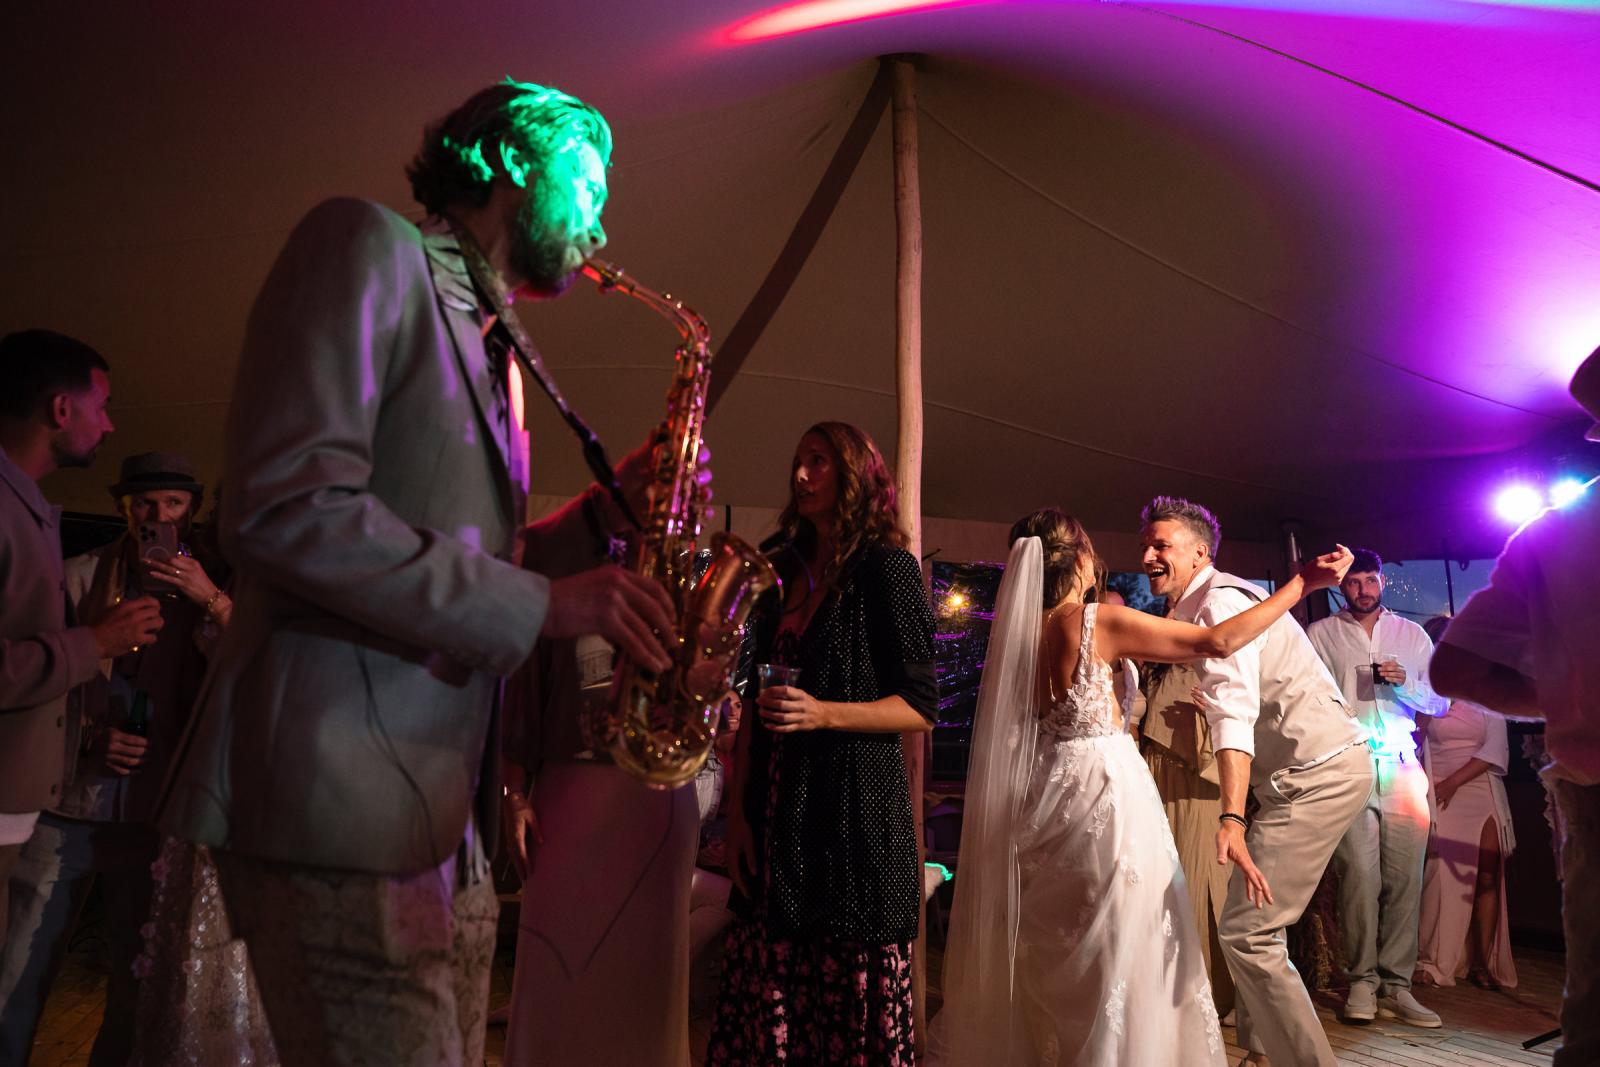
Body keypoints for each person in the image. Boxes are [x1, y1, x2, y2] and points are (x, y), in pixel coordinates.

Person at [156, 80, 681, 1067]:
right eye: (588, 181)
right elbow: (284, 506)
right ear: (515, 163)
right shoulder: (365, 245)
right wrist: (543, 602)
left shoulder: (503, 352)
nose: (601, 217)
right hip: (335, 789)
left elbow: (466, 553)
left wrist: (609, 519)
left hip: (434, 812)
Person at [932, 508, 1351, 1065]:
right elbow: (1219, 642)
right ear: (1079, 558)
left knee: (1063, 943)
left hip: (1052, 799)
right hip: (1107, 793)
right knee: (1128, 941)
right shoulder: (1092, 622)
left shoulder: (1021, 641)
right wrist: (1302, 583)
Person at [707, 421, 936, 1065]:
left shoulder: (887, 570)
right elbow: (753, 698)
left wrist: (822, 713)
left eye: (819, 461)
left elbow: (919, 706)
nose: (802, 475)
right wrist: (740, 816)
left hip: (851, 819)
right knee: (768, 992)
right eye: (798, 460)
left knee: (842, 1002)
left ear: (856, 475)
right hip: (777, 822)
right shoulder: (778, 565)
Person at [0, 451, 233, 1064]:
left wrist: (209, 597)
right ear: (124, 509)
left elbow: (258, 676)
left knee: (137, 985)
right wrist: (88, 737)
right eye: (145, 504)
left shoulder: (217, 584)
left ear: (194, 510)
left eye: (173, 504)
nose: (158, 515)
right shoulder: (77, 577)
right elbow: (39, 684)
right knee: (17, 972)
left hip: (157, 815)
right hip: (69, 804)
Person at [1143, 495, 1372, 1067]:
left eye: (1161, 546)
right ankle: (1263, 1052)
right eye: (1146, 545)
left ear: (1200, 553)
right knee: (1250, 925)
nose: (1147, 555)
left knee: (1247, 932)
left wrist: (1231, 817)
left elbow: (1235, 712)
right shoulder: (1204, 607)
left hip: (1318, 776)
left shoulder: (1219, 601)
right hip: (1307, 773)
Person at [1428, 343, 1600, 1067]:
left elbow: (1452, 665)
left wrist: (1561, 702)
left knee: (1595, 996)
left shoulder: (1554, 533)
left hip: (1593, 786)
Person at [1, 331, 160, 995]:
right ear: (61, 410)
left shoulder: (29, 509)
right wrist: (92, 642)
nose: (110, 422)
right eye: (104, 404)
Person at [1305, 549, 1443, 1027]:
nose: (1363, 590)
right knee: (1359, 879)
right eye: (1354, 582)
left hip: (1403, 765)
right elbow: (1308, 699)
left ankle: (1398, 986)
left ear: (1382, 581)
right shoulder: (1320, 635)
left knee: (1406, 879)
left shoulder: (1412, 634)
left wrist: (1406, 684)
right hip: (1351, 765)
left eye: (1370, 581)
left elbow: (1440, 702)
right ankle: (1361, 981)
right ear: (1341, 586)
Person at [1415, 616, 1517, 991]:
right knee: (1441, 879)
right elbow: (1417, 736)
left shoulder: (1488, 691)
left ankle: (1482, 963)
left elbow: (1494, 751)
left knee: (1487, 876)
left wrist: (1453, 784)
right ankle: (1435, 960)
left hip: (1477, 786)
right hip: (1437, 786)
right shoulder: (1428, 691)